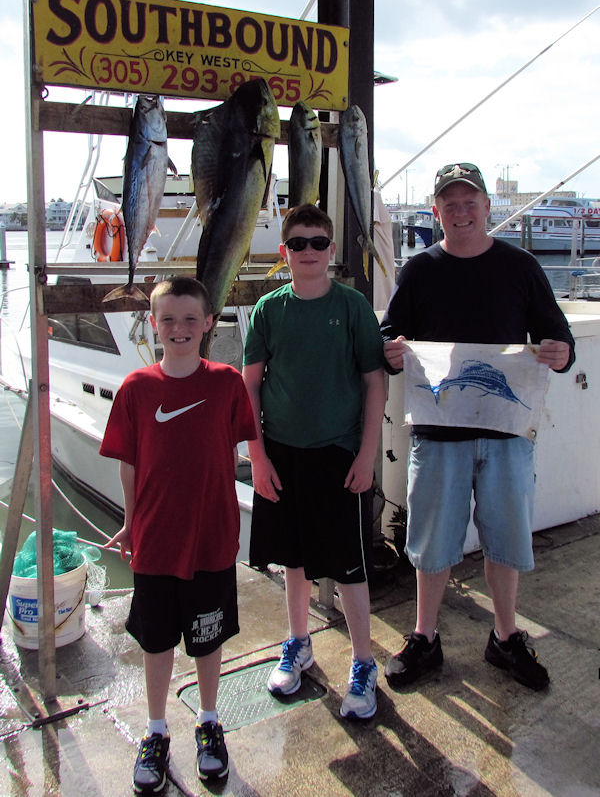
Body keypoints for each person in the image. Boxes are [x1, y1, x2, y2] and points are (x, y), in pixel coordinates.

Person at [380, 162, 575, 692]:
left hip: (507, 436)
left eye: (470, 202)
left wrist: (560, 353)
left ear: (487, 207)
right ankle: (424, 635)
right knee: (432, 541)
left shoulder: (522, 267)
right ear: (436, 210)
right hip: (439, 436)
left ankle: (506, 636)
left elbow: (558, 339)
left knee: (505, 539)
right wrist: (391, 351)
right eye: (450, 203)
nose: (461, 212)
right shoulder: (419, 271)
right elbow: (391, 337)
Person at [101, 276, 256, 793]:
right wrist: (129, 521)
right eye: (168, 319)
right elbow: (129, 466)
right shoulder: (136, 388)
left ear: (209, 323)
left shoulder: (227, 382)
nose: (180, 328)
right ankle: (156, 729)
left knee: (207, 639)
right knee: (157, 640)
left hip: (212, 538)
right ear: (153, 324)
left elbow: (232, 455)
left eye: (191, 318)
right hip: (154, 541)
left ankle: (208, 720)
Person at [242, 203, 386, 719]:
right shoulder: (268, 309)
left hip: (339, 455)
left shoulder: (352, 307)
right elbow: (250, 384)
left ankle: (364, 662)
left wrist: (367, 455)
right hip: (282, 454)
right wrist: (257, 456)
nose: (307, 251)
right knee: (294, 560)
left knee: (349, 566)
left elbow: (374, 382)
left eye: (317, 242)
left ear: (331, 251)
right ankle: (298, 642)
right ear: (284, 252)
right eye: (297, 243)